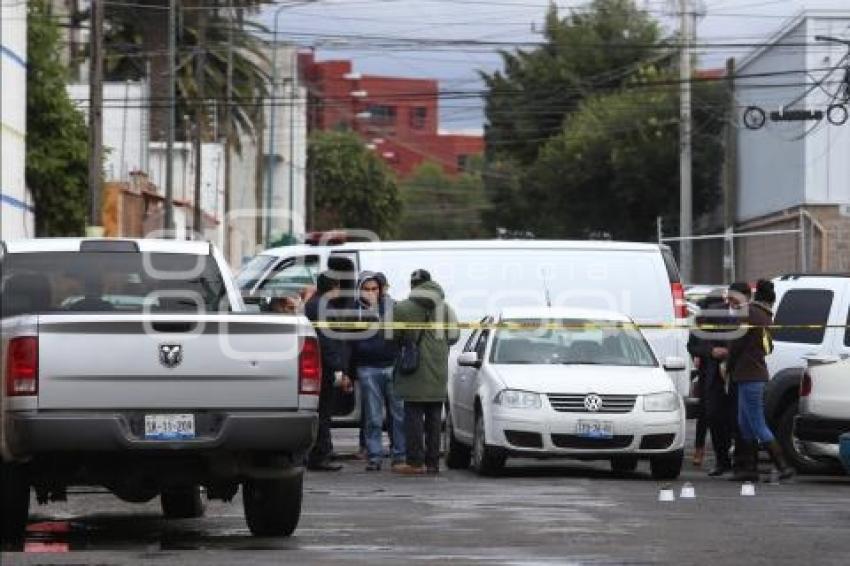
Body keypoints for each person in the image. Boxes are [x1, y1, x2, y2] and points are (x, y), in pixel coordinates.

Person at [719, 280, 794, 482]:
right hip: (751, 375)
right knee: (745, 423)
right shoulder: (764, 315)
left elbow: (736, 345)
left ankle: (783, 466)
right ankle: (748, 469)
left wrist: (728, 366)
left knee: (757, 423)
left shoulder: (749, 313)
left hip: (750, 375)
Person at [392, 270, 460, 475]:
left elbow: (391, 335)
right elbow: (454, 336)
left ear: (413, 285)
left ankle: (415, 462)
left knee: (413, 417)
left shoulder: (402, 307)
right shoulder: (446, 308)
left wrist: (407, 340)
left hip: (413, 368)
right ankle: (433, 463)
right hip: (438, 368)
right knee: (434, 417)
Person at [351, 272, 404, 471]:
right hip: (367, 368)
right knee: (372, 417)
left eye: (374, 289)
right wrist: (348, 371)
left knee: (398, 415)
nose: (371, 293)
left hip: (391, 365)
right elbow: (348, 342)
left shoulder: (391, 307)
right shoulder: (354, 310)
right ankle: (374, 455)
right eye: (367, 289)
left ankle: (400, 454)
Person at [304, 271, 353, 472]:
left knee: (322, 412)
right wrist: (339, 368)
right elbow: (328, 341)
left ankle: (323, 450)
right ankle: (320, 455)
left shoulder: (314, 304)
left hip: (322, 365)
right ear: (332, 288)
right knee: (323, 412)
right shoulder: (323, 307)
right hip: (325, 366)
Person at [688, 291, 736, 476]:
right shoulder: (702, 321)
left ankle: (740, 461)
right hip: (711, 377)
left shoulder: (739, 318)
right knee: (712, 417)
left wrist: (728, 352)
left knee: (734, 421)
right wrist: (710, 352)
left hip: (735, 376)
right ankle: (721, 460)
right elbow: (693, 346)